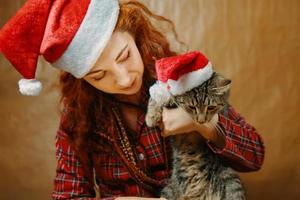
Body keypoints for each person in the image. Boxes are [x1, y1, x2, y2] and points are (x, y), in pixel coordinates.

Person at [0, 1, 265, 200]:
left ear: (136, 37)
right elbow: (66, 195)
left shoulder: (180, 78)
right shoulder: (77, 114)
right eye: (99, 75)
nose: (124, 79)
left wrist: (202, 122)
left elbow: (254, 156)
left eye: (124, 56)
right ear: (83, 79)